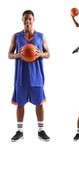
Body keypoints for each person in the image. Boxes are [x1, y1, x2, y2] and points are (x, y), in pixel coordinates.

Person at [8, 10, 50, 142]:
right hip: (21, 76)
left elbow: (48, 53)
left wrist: (40, 54)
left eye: (30, 19)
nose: (28, 21)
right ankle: (19, 131)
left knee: (39, 104)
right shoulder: (16, 36)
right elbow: (9, 54)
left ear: (33, 20)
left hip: (36, 76)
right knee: (20, 104)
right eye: (25, 19)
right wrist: (18, 55)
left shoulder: (41, 36)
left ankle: (41, 130)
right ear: (22, 20)